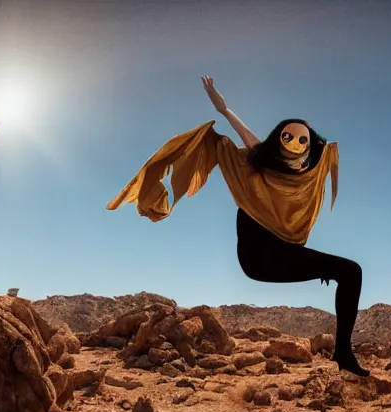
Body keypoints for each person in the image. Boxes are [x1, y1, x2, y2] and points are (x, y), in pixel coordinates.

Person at [107, 75, 368, 377]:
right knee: (348, 270)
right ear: (277, 140)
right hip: (257, 256)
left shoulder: (303, 178)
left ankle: (343, 353)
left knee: (351, 271)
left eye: (302, 139)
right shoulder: (260, 160)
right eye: (288, 136)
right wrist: (223, 108)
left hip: (283, 254)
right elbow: (241, 132)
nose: (295, 142)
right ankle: (344, 352)